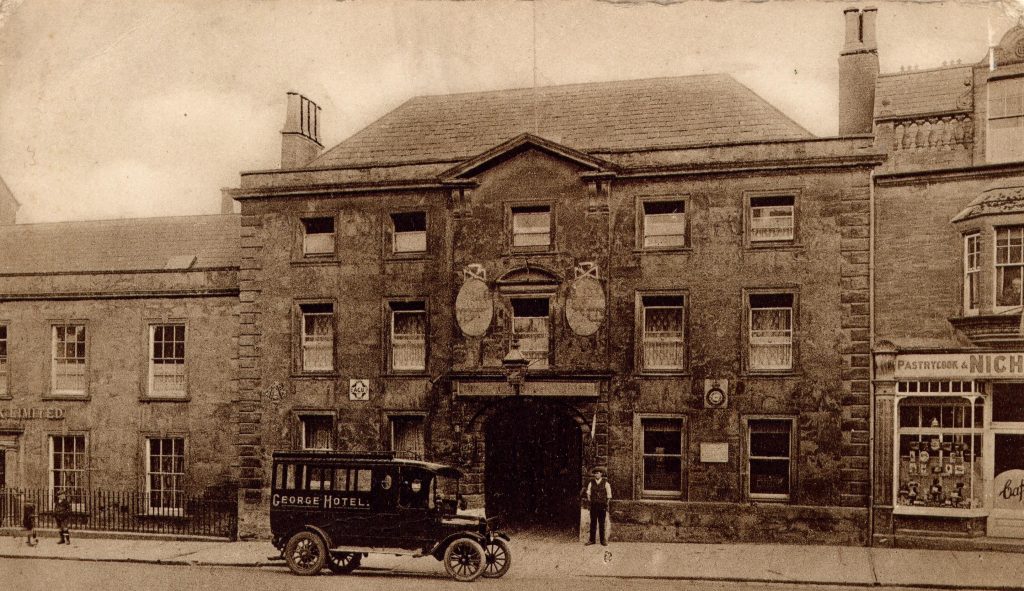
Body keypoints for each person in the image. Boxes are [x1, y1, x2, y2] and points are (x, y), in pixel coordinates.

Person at [584, 466, 611, 546]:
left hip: (602, 506)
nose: (596, 475)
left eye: (598, 473)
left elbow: (609, 495)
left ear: (601, 474)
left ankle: (603, 540)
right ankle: (592, 540)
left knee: (602, 523)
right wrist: (590, 501)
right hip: (594, 506)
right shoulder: (591, 482)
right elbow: (588, 493)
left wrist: (606, 504)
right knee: (593, 523)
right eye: (595, 473)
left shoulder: (606, 483)